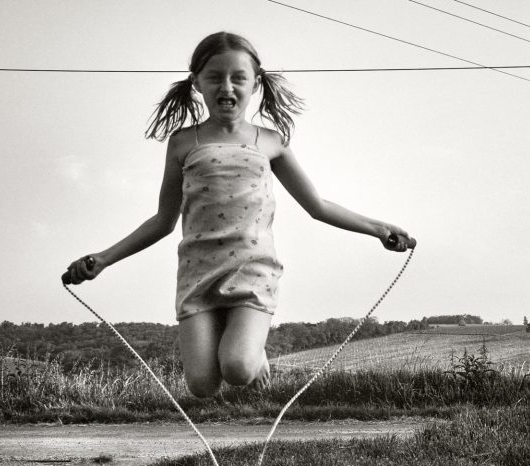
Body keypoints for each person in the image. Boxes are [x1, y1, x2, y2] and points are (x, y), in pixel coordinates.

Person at [62, 32, 414, 398]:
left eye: (238, 77)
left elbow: (317, 206)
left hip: (252, 269)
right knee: (201, 386)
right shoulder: (184, 143)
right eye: (214, 76)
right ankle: (239, 350)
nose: (226, 86)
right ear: (196, 82)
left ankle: (254, 355)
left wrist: (378, 228)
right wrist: (103, 259)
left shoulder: (270, 141)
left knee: (238, 367)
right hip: (197, 273)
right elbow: (162, 222)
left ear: (255, 82)